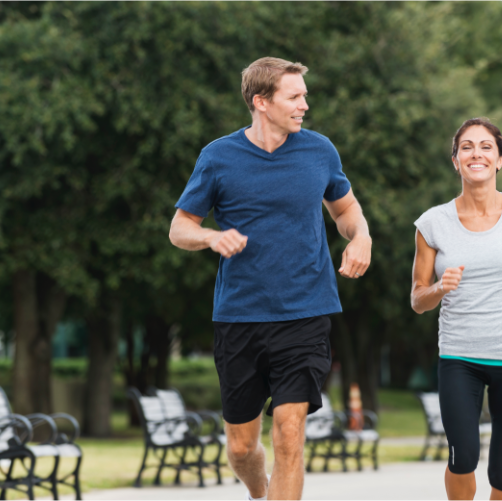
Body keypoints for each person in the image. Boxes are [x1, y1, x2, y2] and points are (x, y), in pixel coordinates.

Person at [169, 57, 372, 501]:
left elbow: (346, 209)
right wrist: (210, 237)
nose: (304, 105)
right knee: (242, 448)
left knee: (289, 433)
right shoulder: (218, 156)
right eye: (294, 97)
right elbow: (179, 227)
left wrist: (361, 238)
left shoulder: (320, 150)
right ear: (262, 102)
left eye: (304, 96)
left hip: (306, 311)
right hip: (240, 316)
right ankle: (259, 492)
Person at [410, 117, 502, 501]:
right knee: (463, 458)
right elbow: (417, 298)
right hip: (460, 356)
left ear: (500, 159)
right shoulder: (432, 224)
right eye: (467, 147)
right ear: (455, 161)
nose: (477, 153)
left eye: (486, 146)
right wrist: (440, 287)